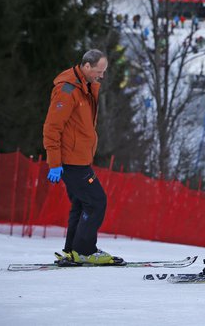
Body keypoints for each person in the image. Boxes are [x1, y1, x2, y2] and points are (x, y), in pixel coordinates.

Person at [43, 50, 118, 265]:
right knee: (96, 201)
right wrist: (54, 163)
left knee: (82, 203)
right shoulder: (67, 91)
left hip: (80, 158)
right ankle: (85, 250)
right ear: (86, 66)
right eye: (98, 71)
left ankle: (72, 249)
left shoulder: (84, 86)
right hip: (71, 161)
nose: (101, 76)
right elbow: (52, 128)